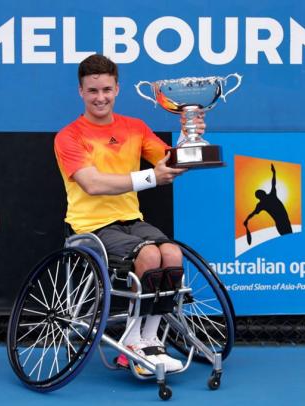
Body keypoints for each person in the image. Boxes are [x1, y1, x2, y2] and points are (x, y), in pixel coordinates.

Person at [54, 54, 205, 374]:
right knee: (150, 255)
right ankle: (134, 342)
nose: (100, 97)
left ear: (117, 89)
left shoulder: (134, 127)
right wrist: (150, 177)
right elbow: (91, 184)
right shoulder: (69, 136)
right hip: (90, 227)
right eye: (93, 91)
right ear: (80, 92)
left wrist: (188, 136)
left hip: (131, 221)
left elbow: (170, 163)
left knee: (172, 253)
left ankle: (149, 338)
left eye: (106, 89)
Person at [243, 163, 293, 241]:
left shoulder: (262, 204)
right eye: (261, 192)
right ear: (261, 194)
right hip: (283, 223)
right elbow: (273, 183)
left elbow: (252, 214)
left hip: (282, 223)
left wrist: (246, 220)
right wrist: (274, 172)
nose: (263, 191)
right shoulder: (270, 197)